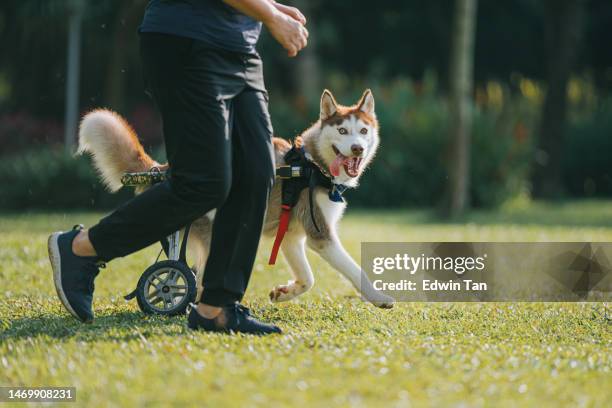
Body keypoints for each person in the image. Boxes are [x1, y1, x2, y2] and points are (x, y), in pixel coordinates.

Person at [47, 0, 308, 335]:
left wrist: (268, 7)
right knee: (204, 181)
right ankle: (82, 247)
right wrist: (270, 16)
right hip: (188, 41)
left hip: (240, 48)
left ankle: (216, 307)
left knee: (257, 172)